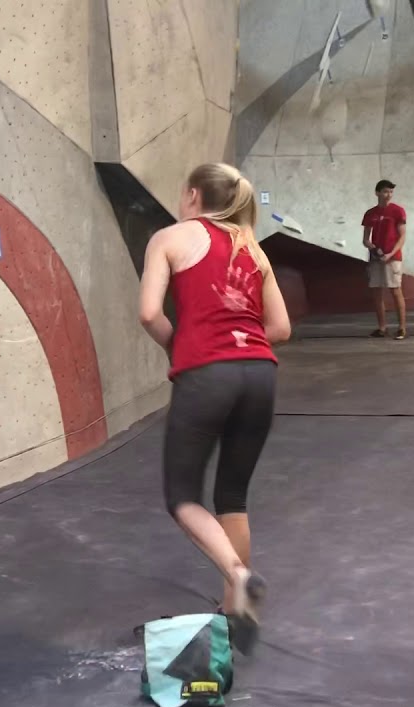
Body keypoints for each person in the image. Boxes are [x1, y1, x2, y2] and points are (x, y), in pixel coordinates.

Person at [138, 162, 292, 656]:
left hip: (209, 375)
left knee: (182, 497)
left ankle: (239, 577)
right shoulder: (253, 247)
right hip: (260, 374)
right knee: (232, 497)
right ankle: (233, 610)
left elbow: (148, 313)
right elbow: (282, 327)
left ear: (192, 195)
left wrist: (178, 346)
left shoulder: (170, 237)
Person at [362, 180, 408, 339]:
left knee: (395, 291)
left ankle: (402, 328)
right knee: (376, 292)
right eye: (385, 191)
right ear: (377, 193)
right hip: (376, 258)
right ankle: (382, 328)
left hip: (393, 258)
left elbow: (402, 236)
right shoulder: (370, 213)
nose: (388, 195)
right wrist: (373, 248)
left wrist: (390, 254)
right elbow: (365, 239)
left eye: (391, 192)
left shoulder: (398, 211)